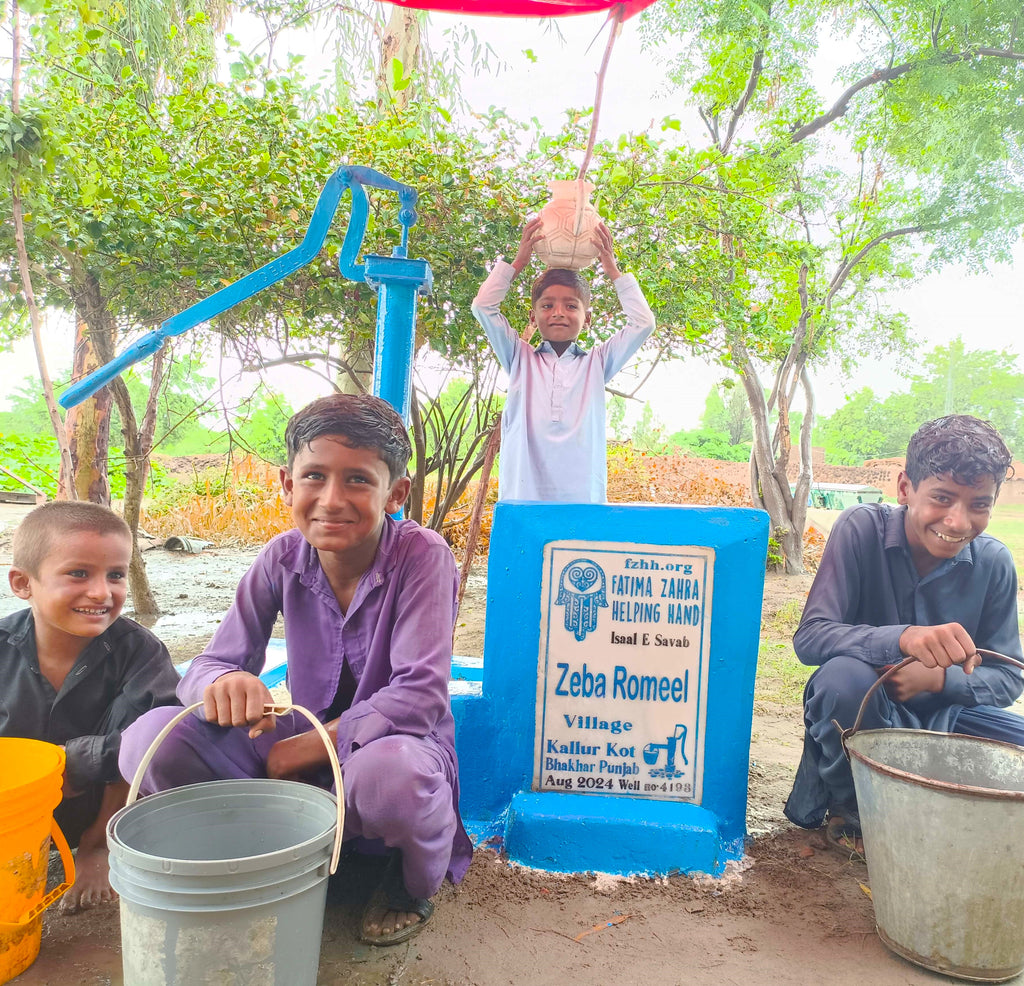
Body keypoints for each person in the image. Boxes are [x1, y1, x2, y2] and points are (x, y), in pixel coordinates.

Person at [119, 393, 472, 947]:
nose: (331, 500)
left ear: (395, 493)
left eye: (358, 479)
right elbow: (211, 663)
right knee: (148, 739)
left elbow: (420, 695)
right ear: (288, 484)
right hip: (298, 732)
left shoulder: (423, 555)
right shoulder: (280, 557)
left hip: (386, 751)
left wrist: (297, 752)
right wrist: (225, 683)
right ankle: (246, 856)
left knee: (392, 774)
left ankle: (407, 885)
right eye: (314, 476)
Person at [784, 415, 1024, 857]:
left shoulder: (994, 564)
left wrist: (939, 681)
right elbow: (812, 638)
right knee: (841, 680)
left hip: (947, 718)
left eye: (979, 504)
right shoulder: (860, 530)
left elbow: (1010, 678)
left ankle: (946, 811)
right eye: (942, 498)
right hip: (865, 709)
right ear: (904, 488)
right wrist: (903, 639)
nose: (957, 521)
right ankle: (855, 811)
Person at [0, 501, 179, 912]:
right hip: (19, 810)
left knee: (149, 731)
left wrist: (74, 762)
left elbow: (152, 746)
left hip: (104, 804)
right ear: (23, 583)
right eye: (78, 573)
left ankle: (98, 846)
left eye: (115, 575)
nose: (102, 592)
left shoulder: (139, 650)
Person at [471, 217, 655, 503]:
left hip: (582, 503)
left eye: (571, 306)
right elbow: (483, 306)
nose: (558, 312)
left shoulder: (597, 363)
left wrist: (613, 271)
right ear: (533, 317)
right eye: (547, 305)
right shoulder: (519, 358)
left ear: (587, 319)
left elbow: (643, 323)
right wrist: (518, 263)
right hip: (524, 499)